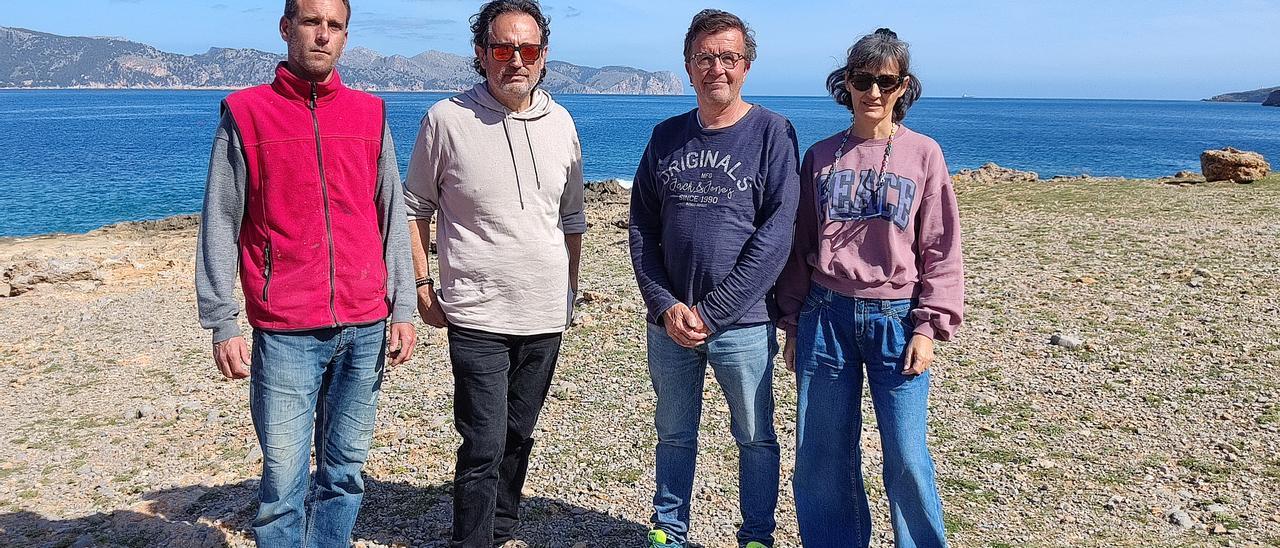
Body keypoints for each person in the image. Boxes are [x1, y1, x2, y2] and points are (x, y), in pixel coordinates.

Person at [195, 0, 417, 545]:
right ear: (286, 27)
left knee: (344, 474)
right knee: (283, 486)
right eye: (312, 21)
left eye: (335, 25)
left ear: (345, 36)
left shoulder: (370, 114)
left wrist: (404, 305)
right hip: (286, 329)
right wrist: (222, 319)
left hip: (366, 325)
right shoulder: (247, 114)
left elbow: (391, 214)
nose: (323, 35)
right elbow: (219, 220)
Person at [401, 1, 586, 546]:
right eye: (502, 48)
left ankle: (501, 527)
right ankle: (472, 538)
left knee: (519, 433)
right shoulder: (445, 120)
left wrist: (570, 290)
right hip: (477, 310)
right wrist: (419, 284)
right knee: (482, 439)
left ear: (544, 57)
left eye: (527, 50)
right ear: (481, 54)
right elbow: (413, 208)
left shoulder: (563, 122)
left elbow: (572, 216)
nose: (515, 61)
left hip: (545, 311)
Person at [776, 28, 964, 548]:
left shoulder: (925, 155)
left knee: (906, 454)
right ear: (847, 83)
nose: (873, 92)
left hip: (896, 320)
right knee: (821, 455)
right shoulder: (820, 156)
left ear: (904, 86)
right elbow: (800, 244)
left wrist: (930, 325)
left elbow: (941, 245)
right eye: (863, 79)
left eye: (886, 81)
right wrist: (792, 322)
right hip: (825, 316)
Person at [628, 9, 799, 548]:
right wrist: (662, 304)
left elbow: (777, 235)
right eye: (705, 57)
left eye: (728, 57)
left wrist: (713, 310)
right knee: (674, 435)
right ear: (687, 65)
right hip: (671, 324)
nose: (716, 68)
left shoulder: (773, 132)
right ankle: (669, 530)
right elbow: (641, 229)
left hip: (744, 324)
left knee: (754, 436)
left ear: (746, 66)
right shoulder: (665, 136)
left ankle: (756, 536)